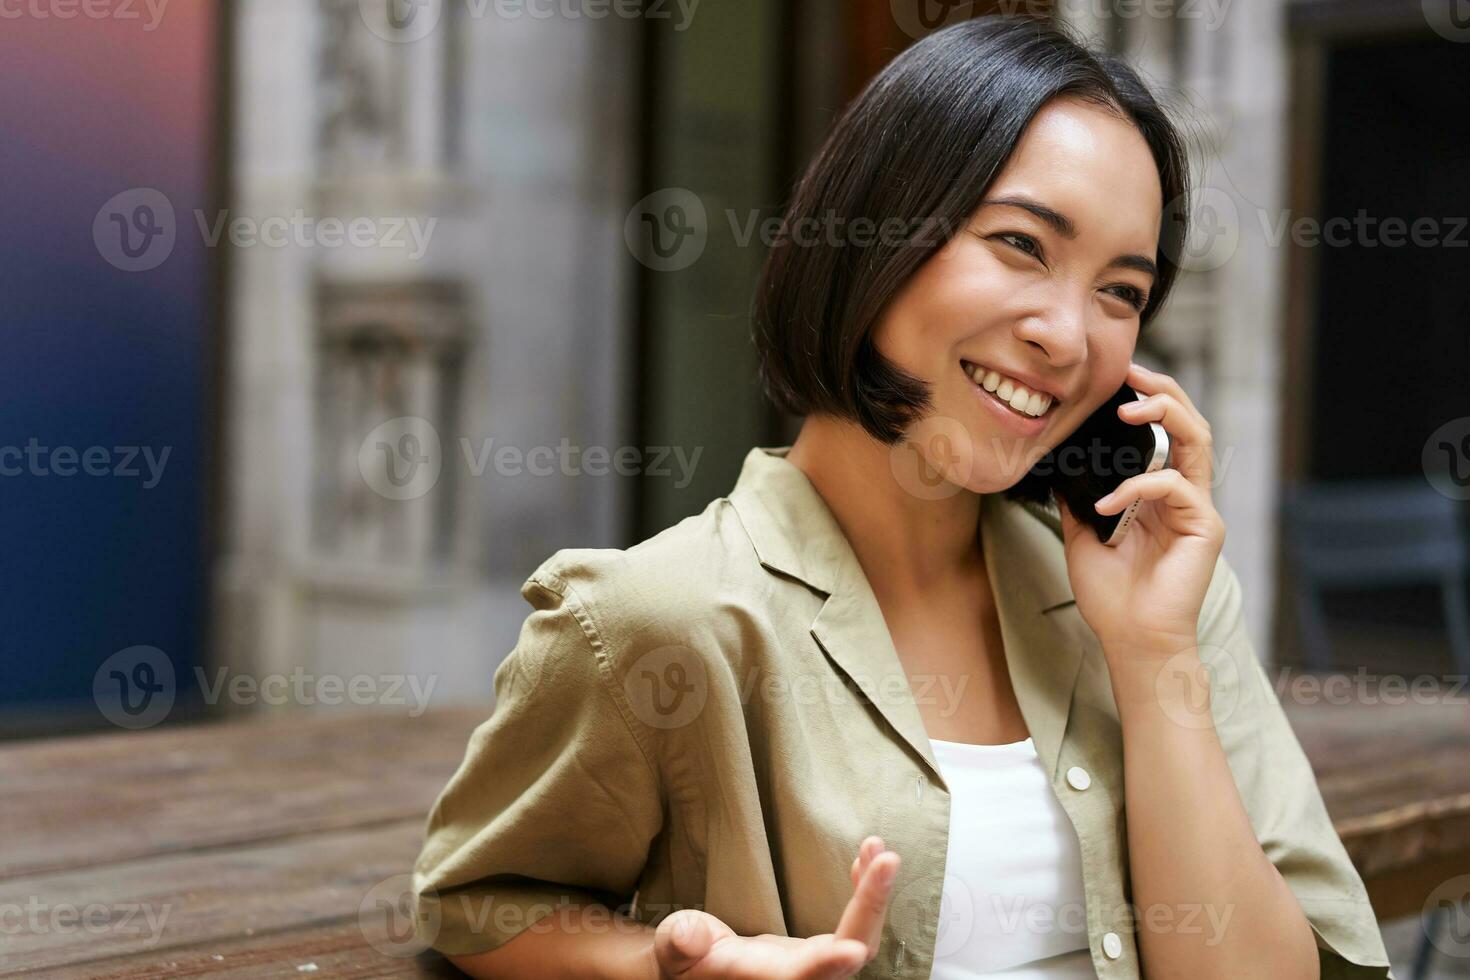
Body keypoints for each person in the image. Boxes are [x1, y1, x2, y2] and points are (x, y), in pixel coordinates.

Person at [412, 15, 1394, 979]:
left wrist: (1150, 656)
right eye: (1020, 242)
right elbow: (480, 902)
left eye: (1121, 291)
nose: (1068, 333)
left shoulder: (1164, 602)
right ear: (872, 234)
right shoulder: (652, 619)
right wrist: (661, 963)